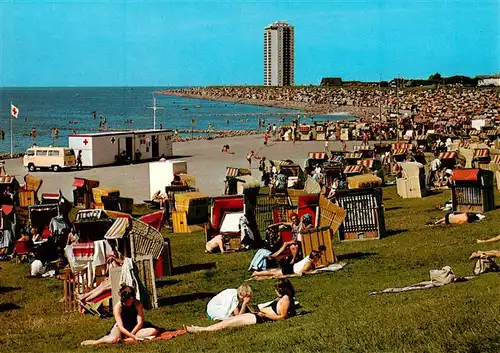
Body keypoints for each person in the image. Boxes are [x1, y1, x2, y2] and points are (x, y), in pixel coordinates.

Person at [186, 279, 296, 333]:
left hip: (259, 318)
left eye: (276, 289)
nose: (275, 291)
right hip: (257, 315)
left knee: (230, 322)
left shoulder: (285, 299)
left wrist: (264, 314)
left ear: (282, 289)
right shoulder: (284, 298)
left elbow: (282, 317)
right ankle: (200, 329)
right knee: (230, 321)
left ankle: (200, 329)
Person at [81, 285, 159, 346]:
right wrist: (133, 337)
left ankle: (124, 341)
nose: (132, 299)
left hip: (134, 326)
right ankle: (96, 342)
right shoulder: (118, 307)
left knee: (154, 331)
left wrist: (131, 334)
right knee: (112, 339)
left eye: (132, 298)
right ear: (125, 298)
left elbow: (140, 323)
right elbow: (121, 327)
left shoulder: (137, 304)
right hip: (121, 327)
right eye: (130, 298)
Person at [251, 248, 324, 279]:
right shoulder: (308, 263)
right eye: (318, 258)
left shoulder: (309, 258)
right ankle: (256, 273)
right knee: (273, 273)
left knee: (273, 272)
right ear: (314, 258)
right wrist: (312, 272)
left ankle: (257, 273)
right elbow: (303, 272)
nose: (318, 259)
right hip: (290, 270)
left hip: (291, 267)